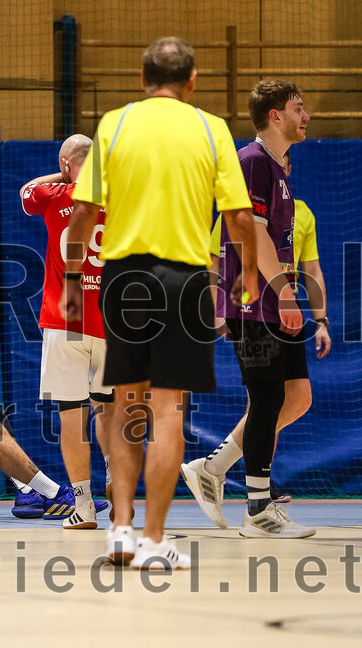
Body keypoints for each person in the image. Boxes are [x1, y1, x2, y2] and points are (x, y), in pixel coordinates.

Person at [62, 37, 259, 569]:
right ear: (192, 80)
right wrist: (244, 280)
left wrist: (72, 282)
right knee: (167, 410)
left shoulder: (116, 124)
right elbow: (240, 218)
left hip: (124, 279)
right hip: (185, 278)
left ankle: (120, 532)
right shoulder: (209, 128)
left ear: (142, 78)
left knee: (126, 405)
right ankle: (153, 540)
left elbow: (81, 214)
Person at [182, 80, 316, 538]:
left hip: (274, 301)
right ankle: (257, 510)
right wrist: (283, 289)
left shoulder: (278, 167)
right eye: (299, 108)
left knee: (296, 396)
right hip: (255, 304)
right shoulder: (253, 162)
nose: (307, 116)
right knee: (267, 399)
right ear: (275, 115)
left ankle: (212, 467)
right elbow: (250, 235)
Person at [19, 134, 114, 530]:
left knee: (72, 416)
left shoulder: (55, 196)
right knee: (108, 410)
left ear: (66, 163)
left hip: (65, 325)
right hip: (112, 325)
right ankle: (115, 476)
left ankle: (84, 506)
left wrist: (63, 171)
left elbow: (27, 192)